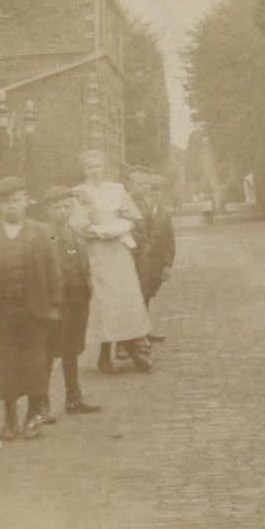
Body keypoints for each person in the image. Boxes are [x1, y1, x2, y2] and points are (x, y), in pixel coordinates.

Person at [0, 177, 63, 441]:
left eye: (16, 201)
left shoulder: (41, 231)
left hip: (34, 309)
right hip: (3, 311)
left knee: (35, 362)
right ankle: (10, 416)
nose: (12, 207)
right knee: (8, 363)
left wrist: (55, 304)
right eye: (6, 203)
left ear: (26, 202)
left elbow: (53, 269)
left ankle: (34, 413)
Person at [71, 151, 154, 373]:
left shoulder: (117, 190)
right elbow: (81, 226)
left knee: (127, 300)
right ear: (84, 170)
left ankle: (134, 349)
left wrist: (108, 230)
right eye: (90, 167)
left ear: (104, 168)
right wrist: (103, 229)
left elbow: (133, 219)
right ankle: (104, 355)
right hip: (97, 254)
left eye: (98, 166)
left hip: (119, 251)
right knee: (105, 303)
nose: (94, 170)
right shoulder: (79, 194)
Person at [42, 187, 101, 421]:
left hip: (77, 297)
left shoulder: (75, 231)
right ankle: (41, 404)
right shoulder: (44, 235)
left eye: (67, 206)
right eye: (57, 207)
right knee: (49, 352)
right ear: (48, 209)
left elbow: (83, 262)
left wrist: (87, 285)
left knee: (72, 349)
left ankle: (73, 398)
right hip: (57, 301)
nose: (63, 211)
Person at [125, 166, 159, 348]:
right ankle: (123, 343)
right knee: (127, 298)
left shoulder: (145, 203)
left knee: (144, 293)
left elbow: (152, 227)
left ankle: (143, 331)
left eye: (146, 183)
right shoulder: (123, 203)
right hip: (129, 256)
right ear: (129, 184)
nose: (145, 187)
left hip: (143, 256)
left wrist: (149, 244)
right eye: (140, 183)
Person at [146, 173, 177, 325]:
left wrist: (167, 264)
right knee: (141, 296)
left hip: (157, 263)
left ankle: (144, 330)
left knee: (149, 294)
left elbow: (170, 241)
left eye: (158, 191)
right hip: (142, 262)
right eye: (152, 190)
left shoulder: (164, 213)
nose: (155, 194)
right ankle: (141, 335)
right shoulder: (139, 210)